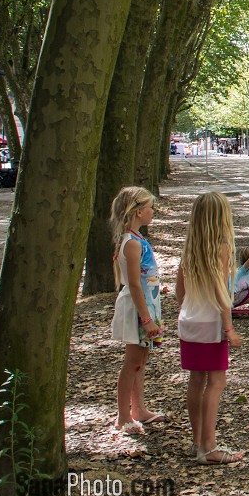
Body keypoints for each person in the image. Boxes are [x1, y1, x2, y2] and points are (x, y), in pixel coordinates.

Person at [178, 191, 244, 464]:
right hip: (212, 325)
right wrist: (228, 328)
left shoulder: (190, 249)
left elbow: (179, 293)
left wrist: (190, 308)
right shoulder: (221, 248)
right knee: (216, 383)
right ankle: (210, 446)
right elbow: (222, 293)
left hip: (189, 321)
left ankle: (197, 441)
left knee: (196, 380)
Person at [109, 186, 167, 433]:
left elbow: (143, 278)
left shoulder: (137, 240)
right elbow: (133, 283)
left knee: (140, 360)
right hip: (138, 309)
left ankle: (138, 409)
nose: (153, 212)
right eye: (151, 208)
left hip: (146, 305)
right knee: (132, 362)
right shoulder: (132, 243)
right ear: (140, 211)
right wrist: (146, 318)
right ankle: (123, 415)